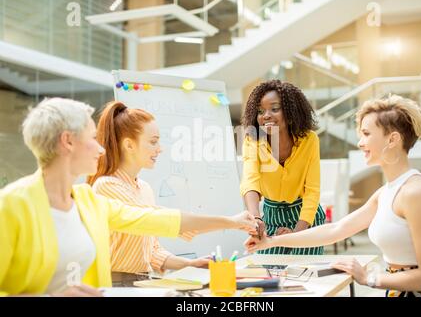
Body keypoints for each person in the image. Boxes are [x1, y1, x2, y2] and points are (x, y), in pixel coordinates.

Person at [0, 98, 257, 297]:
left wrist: (230, 222)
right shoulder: (11, 205)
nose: (101, 148)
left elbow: (157, 220)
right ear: (67, 141)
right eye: (92, 138)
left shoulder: (88, 201)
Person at [245, 94, 421, 297]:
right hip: (399, 289)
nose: (360, 143)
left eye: (367, 134)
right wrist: (270, 242)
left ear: (392, 139)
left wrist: (369, 278)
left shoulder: (415, 193)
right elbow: (337, 229)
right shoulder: (385, 193)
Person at [87, 102, 208, 286]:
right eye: (153, 141)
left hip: (143, 280)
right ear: (129, 145)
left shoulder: (144, 188)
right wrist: (227, 223)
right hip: (117, 284)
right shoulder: (106, 186)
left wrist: (190, 264)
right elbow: (150, 221)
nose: (160, 148)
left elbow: (152, 250)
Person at [240, 80, 325, 255]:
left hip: (305, 217)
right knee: (269, 273)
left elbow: (312, 190)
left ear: (290, 111)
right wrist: (256, 218)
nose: (266, 115)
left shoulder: (309, 140)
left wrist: (297, 233)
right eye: (260, 111)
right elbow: (250, 180)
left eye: (274, 109)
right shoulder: (253, 140)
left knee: (303, 275)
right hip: (271, 216)